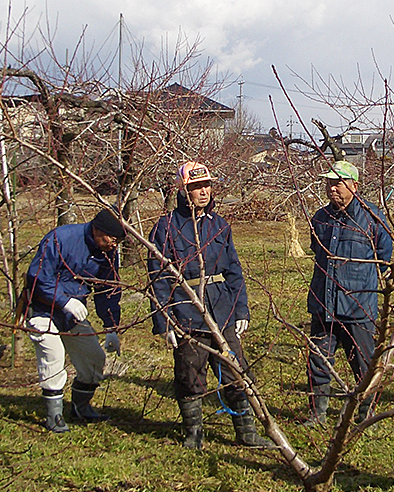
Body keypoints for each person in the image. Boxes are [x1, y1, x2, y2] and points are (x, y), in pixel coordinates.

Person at [149, 161, 270, 449]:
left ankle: (247, 433)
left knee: (236, 371)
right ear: (183, 190)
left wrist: (241, 310)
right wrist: (164, 321)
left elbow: (234, 271)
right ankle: (194, 434)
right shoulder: (166, 227)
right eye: (195, 187)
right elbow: (158, 277)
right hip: (186, 310)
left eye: (206, 185)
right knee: (189, 374)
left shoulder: (220, 225)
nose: (203, 191)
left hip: (222, 308)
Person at [305, 160, 393, 426]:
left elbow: (384, 256)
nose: (333, 188)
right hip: (323, 303)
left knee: (363, 365)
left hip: (357, 306)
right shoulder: (321, 217)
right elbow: (315, 248)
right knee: (318, 362)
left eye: (339, 183)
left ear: (355, 186)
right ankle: (317, 413)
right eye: (330, 183)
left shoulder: (372, 217)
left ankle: (367, 412)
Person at [23, 208, 124, 432]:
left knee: (94, 358)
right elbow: (38, 278)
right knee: (53, 356)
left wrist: (111, 327)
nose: (113, 245)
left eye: (118, 241)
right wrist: (63, 301)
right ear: (98, 230)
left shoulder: (108, 252)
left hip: (72, 314)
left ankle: (81, 407)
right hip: (42, 309)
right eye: (111, 239)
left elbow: (107, 289)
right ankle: (54, 416)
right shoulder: (60, 239)